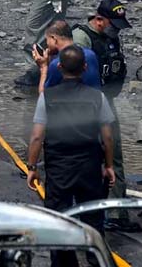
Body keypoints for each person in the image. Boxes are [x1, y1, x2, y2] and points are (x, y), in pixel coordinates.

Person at [26, 46, 116, 250]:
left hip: (59, 169)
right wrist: (109, 166)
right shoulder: (98, 97)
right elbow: (108, 137)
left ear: (59, 67)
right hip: (90, 167)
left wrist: (32, 167)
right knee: (93, 220)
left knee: (58, 220)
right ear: (85, 67)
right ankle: (95, 257)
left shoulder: (47, 97)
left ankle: (63, 259)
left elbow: (37, 137)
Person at [73, 0, 134, 230]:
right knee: (86, 159)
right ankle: (85, 212)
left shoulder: (111, 38)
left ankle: (117, 213)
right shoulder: (81, 38)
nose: (117, 31)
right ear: (99, 20)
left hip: (107, 104)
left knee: (114, 156)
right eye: (113, 25)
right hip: (85, 108)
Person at [32, 20, 101, 94]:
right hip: (93, 99)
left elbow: (44, 96)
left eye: (47, 40)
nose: (47, 44)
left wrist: (43, 67)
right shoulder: (91, 55)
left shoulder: (57, 63)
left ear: (54, 39)